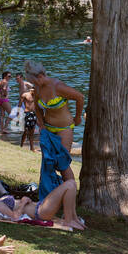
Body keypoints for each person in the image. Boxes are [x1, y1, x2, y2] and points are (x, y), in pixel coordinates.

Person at [24, 61, 82, 205]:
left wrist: (78, 117)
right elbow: (37, 107)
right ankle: (51, 195)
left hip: (64, 128)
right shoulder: (37, 89)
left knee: (62, 164)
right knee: (48, 163)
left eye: (33, 80)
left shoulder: (58, 86)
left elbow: (80, 97)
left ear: (40, 76)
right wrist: (41, 123)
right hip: (48, 129)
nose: (33, 83)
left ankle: (70, 197)